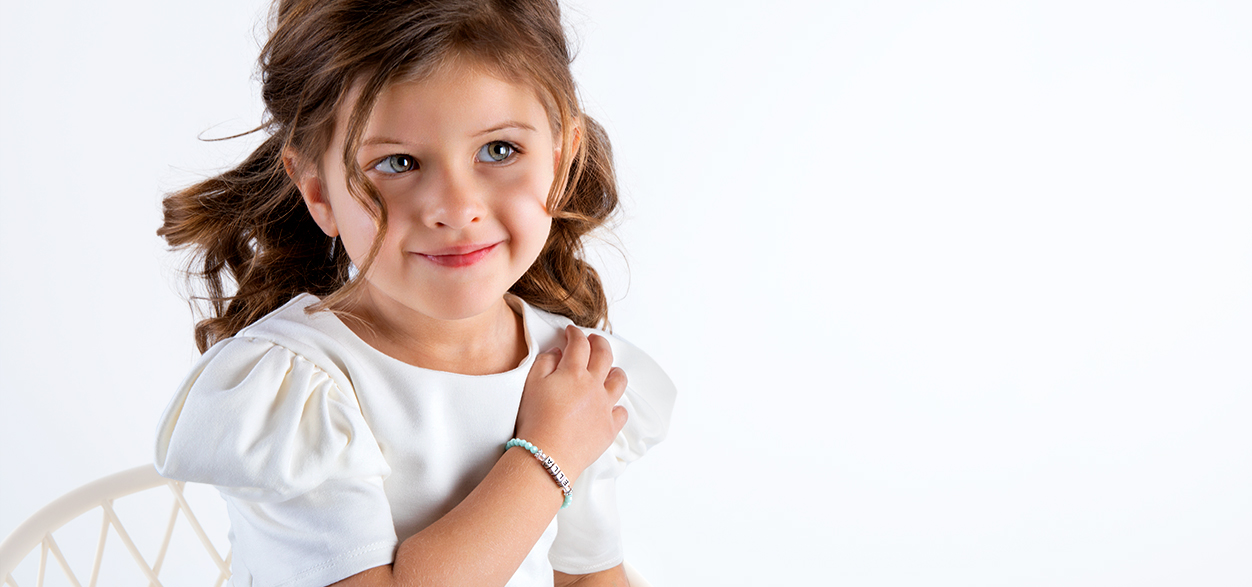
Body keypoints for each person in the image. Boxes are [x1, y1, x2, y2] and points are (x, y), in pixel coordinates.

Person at [151, 1, 675, 585]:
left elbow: (588, 575)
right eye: (398, 162)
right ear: (319, 191)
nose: (456, 209)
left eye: (498, 150)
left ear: (561, 154)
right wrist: (546, 456)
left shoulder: (566, 372)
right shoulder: (304, 389)